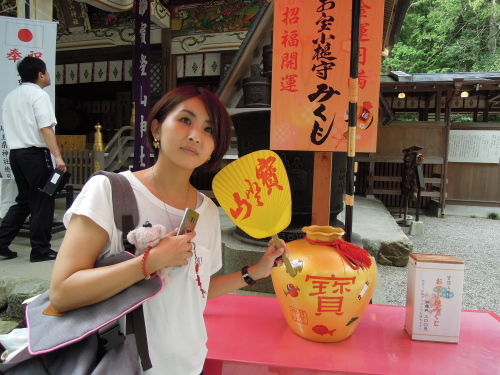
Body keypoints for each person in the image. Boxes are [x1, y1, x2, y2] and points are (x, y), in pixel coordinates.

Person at [49, 85, 288, 375]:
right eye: (185, 120)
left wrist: (255, 272)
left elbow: (196, 290)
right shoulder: (109, 191)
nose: (195, 135)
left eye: (209, 129)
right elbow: (62, 292)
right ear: (156, 129)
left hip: (189, 363)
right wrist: (150, 262)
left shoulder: (208, 212)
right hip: (125, 366)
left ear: (215, 148)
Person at [0, 56, 66, 262]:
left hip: (16, 155)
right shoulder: (38, 95)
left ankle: (1, 242)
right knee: (42, 201)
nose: (48, 76)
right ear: (40, 74)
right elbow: (45, 128)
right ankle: (40, 250)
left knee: (25, 201)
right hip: (35, 155)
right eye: (46, 72)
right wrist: (57, 156)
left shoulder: (11, 96)